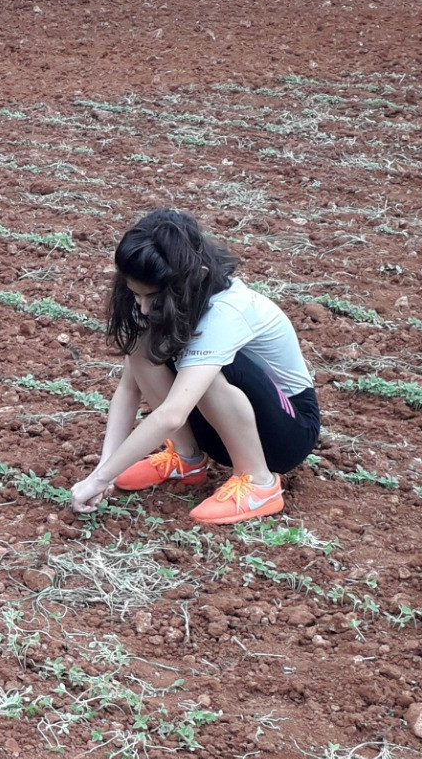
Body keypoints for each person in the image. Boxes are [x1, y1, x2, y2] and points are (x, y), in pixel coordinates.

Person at [70, 209, 320, 524]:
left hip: (288, 432)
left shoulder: (226, 311)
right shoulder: (158, 302)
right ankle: (187, 458)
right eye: (136, 295)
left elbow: (173, 413)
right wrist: (104, 471)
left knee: (211, 373)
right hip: (222, 429)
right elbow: (128, 389)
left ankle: (259, 483)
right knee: (142, 346)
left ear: (193, 277)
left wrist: (97, 480)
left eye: (152, 298)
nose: (143, 307)